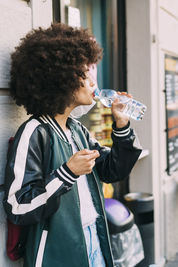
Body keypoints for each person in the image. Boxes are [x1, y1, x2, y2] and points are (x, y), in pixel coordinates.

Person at [3, 23, 142, 267]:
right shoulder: (35, 133)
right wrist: (66, 173)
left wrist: (121, 125)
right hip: (57, 252)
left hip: (94, 240)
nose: (92, 80)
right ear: (60, 77)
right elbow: (18, 205)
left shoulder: (78, 130)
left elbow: (113, 171)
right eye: (84, 72)